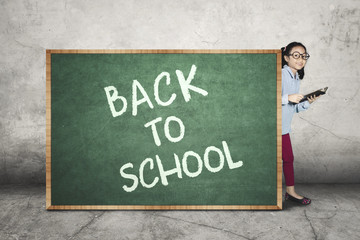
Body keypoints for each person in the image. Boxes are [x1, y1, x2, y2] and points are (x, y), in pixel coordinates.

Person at [281, 42, 320, 205]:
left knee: (288, 158)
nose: (301, 59)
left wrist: (307, 102)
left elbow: (293, 108)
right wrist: (287, 98)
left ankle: (290, 192)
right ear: (286, 57)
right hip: (271, 127)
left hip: (283, 127)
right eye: (296, 55)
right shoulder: (281, 74)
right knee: (279, 159)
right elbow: (262, 99)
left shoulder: (295, 77)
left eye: (304, 56)